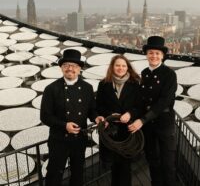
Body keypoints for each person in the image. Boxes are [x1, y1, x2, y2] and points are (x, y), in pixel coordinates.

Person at [40, 49, 104, 186]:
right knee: (54, 175)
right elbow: (45, 116)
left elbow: (92, 110)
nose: (70, 68)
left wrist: (96, 118)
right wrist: (64, 125)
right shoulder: (51, 89)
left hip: (79, 140)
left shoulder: (87, 87)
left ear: (79, 68)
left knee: (78, 174)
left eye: (74, 65)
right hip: (58, 141)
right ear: (61, 68)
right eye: (66, 65)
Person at [128, 36, 178, 186]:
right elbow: (140, 101)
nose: (154, 56)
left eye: (157, 53)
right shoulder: (144, 73)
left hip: (164, 125)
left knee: (168, 164)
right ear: (146, 55)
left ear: (162, 55)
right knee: (153, 161)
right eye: (151, 53)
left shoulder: (169, 74)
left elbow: (164, 101)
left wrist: (142, 120)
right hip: (149, 127)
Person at [96, 54, 141, 186]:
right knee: (114, 166)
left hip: (128, 132)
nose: (120, 68)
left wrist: (129, 113)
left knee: (125, 166)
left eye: (123, 65)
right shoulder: (103, 84)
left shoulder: (135, 83)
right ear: (112, 67)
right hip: (111, 132)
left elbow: (139, 106)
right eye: (117, 65)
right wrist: (111, 114)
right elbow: (99, 106)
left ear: (127, 67)